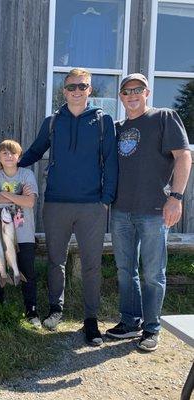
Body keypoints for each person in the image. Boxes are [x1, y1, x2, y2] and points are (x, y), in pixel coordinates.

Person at [19, 67, 118, 346]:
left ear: (90, 90)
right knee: (55, 260)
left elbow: (110, 161)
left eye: (82, 86)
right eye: (72, 87)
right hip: (56, 203)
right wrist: (7, 168)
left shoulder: (103, 121)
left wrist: (106, 199)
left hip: (92, 206)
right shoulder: (52, 122)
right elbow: (35, 152)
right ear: (64, 91)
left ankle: (91, 320)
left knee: (92, 265)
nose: (77, 91)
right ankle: (55, 309)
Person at [105, 73, 191, 351]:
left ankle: (151, 329)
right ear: (120, 97)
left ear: (147, 92)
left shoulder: (164, 117)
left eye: (137, 90)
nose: (131, 96)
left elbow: (184, 156)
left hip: (154, 210)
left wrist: (176, 198)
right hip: (121, 211)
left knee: (153, 272)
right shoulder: (117, 127)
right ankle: (130, 323)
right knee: (125, 270)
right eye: (126, 91)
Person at [0, 139, 41, 328]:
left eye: (13, 153)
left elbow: (30, 203)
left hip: (24, 233)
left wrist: (7, 194)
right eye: (4, 153)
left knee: (28, 271)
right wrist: (20, 196)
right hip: (0, 234)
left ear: (19, 157)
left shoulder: (27, 174)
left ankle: (31, 310)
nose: (9, 156)